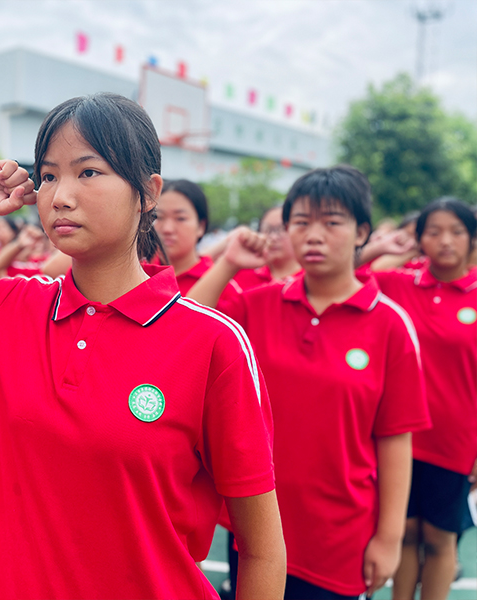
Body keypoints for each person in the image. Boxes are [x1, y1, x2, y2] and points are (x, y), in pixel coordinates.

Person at [0, 92, 285, 600]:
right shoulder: (9, 308)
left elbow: (261, 548)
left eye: (88, 172)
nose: (60, 196)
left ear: (148, 193)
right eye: (49, 175)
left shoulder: (213, 343)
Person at [188, 165, 430, 600]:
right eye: (300, 222)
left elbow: (395, 438)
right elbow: (184, 333)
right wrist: (228, 262)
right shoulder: (256, 306)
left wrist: (389, 537)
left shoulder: (390, 325)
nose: (313, 235)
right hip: (254, 529)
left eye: (331, 223)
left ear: (362, 232)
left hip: (338, 535)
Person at [361, 197, 477, 600]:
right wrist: (391, 248)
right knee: (406, 531)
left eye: (457, 231)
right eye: (434, 231)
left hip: (455, 439)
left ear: (472, 239)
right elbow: (352, 275)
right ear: (419, 238)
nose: (445, 240)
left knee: (440, 537)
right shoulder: (400, 283)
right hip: (399, 435)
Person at [153, 179, 211, 294]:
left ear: (201, 226)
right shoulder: (138, 274)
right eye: (158, 217)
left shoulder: (219, 286)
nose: (167, 229)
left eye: (180, 218)